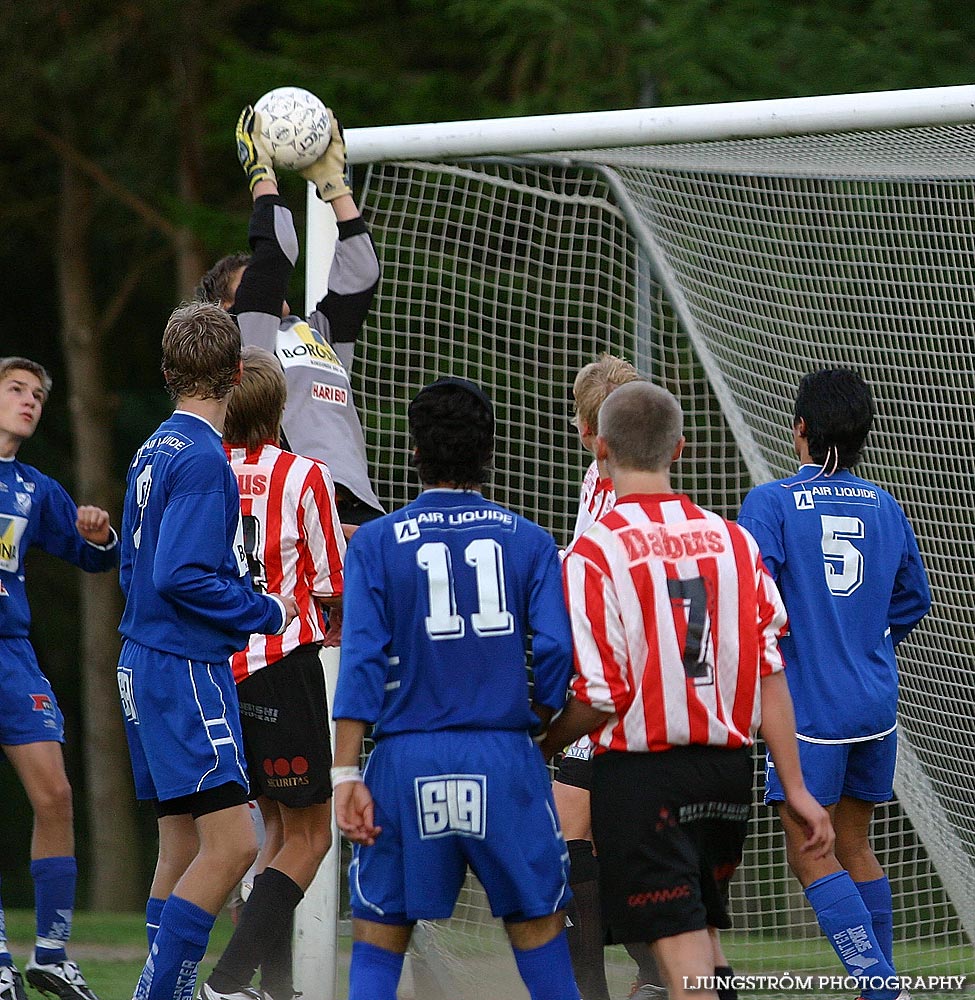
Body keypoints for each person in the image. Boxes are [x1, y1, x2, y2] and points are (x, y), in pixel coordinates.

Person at [540, 381, 833, 1000]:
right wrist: (798, 788)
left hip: (647, 777)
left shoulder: (594, 551)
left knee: (685, 965)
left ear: (600, 449)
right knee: (704, 945)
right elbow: (769, 669)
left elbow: (602, 692)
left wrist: (546, 739)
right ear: (680, 447)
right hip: (727, 774)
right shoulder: (735, 541)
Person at [330, 376, 580, 1000]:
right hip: (502, 754)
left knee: (379, 931)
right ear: (490, 452)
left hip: (405, 759)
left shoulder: (377, 544)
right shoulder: (529, 540)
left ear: (414, 452)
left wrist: (343, 775)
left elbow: (360, 659)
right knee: (539, 932)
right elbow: (554, 652)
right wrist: (540, 719)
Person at [116, 303, 298, 1000]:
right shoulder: (201, 458)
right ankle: (163, 994)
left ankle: (163, 989)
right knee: (236, 844)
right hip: (182, 666)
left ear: (168, 373)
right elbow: (179, 573)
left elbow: (140, 570)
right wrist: (264, 609)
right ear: (234, 374)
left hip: (144, 658)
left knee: (183, 846)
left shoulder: (153, 446)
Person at [737, 369, 929, 1000]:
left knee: (809, 853)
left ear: (799, 431)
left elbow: (751, 596)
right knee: (852, 844)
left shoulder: (770, 503)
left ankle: (880, 989)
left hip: (810, 711)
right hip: (875, 704)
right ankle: (885, 984)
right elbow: (912, 600)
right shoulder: (885, 504)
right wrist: (859, 637)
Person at [200, 346, 346, 1000]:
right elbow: (333, 584)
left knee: (277, 834)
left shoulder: (200, 470)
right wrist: (334, 624)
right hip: (283, 667)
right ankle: (227, 983)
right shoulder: (303, 475)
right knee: (311, 836)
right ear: (279, 407)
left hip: (220, 673)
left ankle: (275, 991)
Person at [196, 102, 382, 540]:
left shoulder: (316, 332)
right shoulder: (243, 336)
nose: (271, 288)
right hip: (298, 502)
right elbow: (277, 253)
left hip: (359, 503)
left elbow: (362, 274)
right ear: (227, 306)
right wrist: (261, 173)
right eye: (253, 282)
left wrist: (335, 186)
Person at [0, 357, 117, 1000]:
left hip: (13, 657)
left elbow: (93, 555)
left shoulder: (34, 488)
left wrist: (100, 534)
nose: (30, 401)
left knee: (55, 797)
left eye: (39, 394)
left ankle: (50, 954)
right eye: (15, 389)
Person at [556, 354, 667, 1000]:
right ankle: (647, 975)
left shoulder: (615, 488)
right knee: (594, 840)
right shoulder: (611, 483)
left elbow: (599, 583)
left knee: (581, 836)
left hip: (613, 685)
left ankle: (613, 984)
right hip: (633, 684)